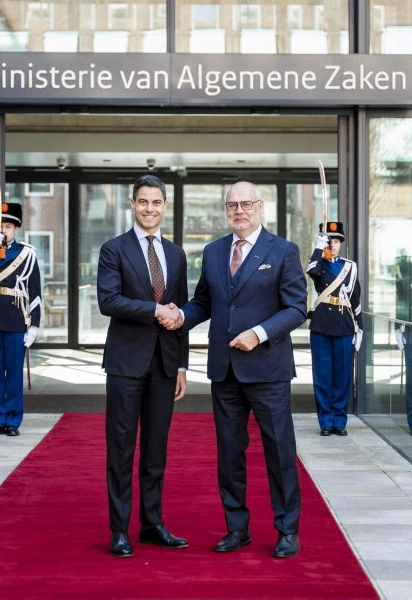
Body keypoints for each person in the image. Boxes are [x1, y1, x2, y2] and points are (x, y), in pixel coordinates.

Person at [165, 181, 306, 559]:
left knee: (279, 452)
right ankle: (237, 528)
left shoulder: (283, 250)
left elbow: (297, 309)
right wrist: (180, 316)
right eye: (232, 205)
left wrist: (258, 334)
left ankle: (287, 530)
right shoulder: (213, 252)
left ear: (260, 207)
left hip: (269, 370)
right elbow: (203, 302)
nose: (238, 211)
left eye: (245, 204)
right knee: (229, 453)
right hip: (224, 371)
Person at [97, 174, 190, 558]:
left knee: (156, 451)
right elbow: (108, 301)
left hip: (164, 366)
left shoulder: (177, 254)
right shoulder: (113, 249)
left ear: (164, 206)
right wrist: (153, 310)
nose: (149, 208)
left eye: (156, 202)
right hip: (125, 364)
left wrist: (182, 366)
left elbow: (181, 312)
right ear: (132, 204)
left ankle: (152, 525)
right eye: (143, 201)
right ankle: (120, 530)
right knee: (121, 450)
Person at [0, 202, 41, 437]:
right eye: (0, 226)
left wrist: (34, 325)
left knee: (13, 373)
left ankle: (12, 420)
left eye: (9, 226)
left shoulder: (27, 253)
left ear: (16, 228)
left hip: (15, 317)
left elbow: (35, 291)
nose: (4, 230)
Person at [306, 221, 363, 437]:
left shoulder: (350, 267)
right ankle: (325, 421)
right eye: (329, 240)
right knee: (322, 376)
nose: (333, 244)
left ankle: (339, 421)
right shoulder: (319, 265)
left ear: (341, 243)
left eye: (337, 241)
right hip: (321, 325)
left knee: (342, 376)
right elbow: (310, 270)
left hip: (344, 325)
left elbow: (355, 299)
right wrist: (318, 247)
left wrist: (360, 328)